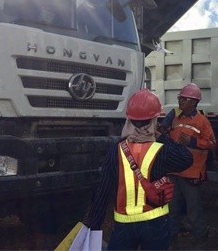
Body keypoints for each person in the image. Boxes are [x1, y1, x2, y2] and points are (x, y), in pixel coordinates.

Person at [83, 89, 193, 250]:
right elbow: (186, 159)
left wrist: (94, 225)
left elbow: (102, 190)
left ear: (129, 120)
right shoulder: (161, 150)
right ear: (154, 120)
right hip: (155, 224)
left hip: (123, 225)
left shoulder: (116, 150)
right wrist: (162, 136)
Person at [160, 83, 216, 246]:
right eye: (180, 98)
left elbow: (211, 143)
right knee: (172, 211)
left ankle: (200, 242)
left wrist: (192, 141)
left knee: (194, 212)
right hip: (174, 173)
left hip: (191, 174)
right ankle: (172, 243)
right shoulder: (175, 119)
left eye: (184, 99)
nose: (181, 101)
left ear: (194, 102)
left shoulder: (202, 121)